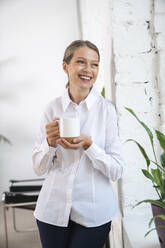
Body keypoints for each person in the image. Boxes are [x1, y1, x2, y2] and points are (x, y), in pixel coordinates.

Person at [32, 40, 124, 248]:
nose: (88, 70)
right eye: (81, 62)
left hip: (94, 213)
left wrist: (89, 146)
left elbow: (117, 170)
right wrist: (50, 143)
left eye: (95, 64)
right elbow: (38, 167)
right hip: (52, 211)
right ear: (65, 66)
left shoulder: (106, 110)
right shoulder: (52, 108)